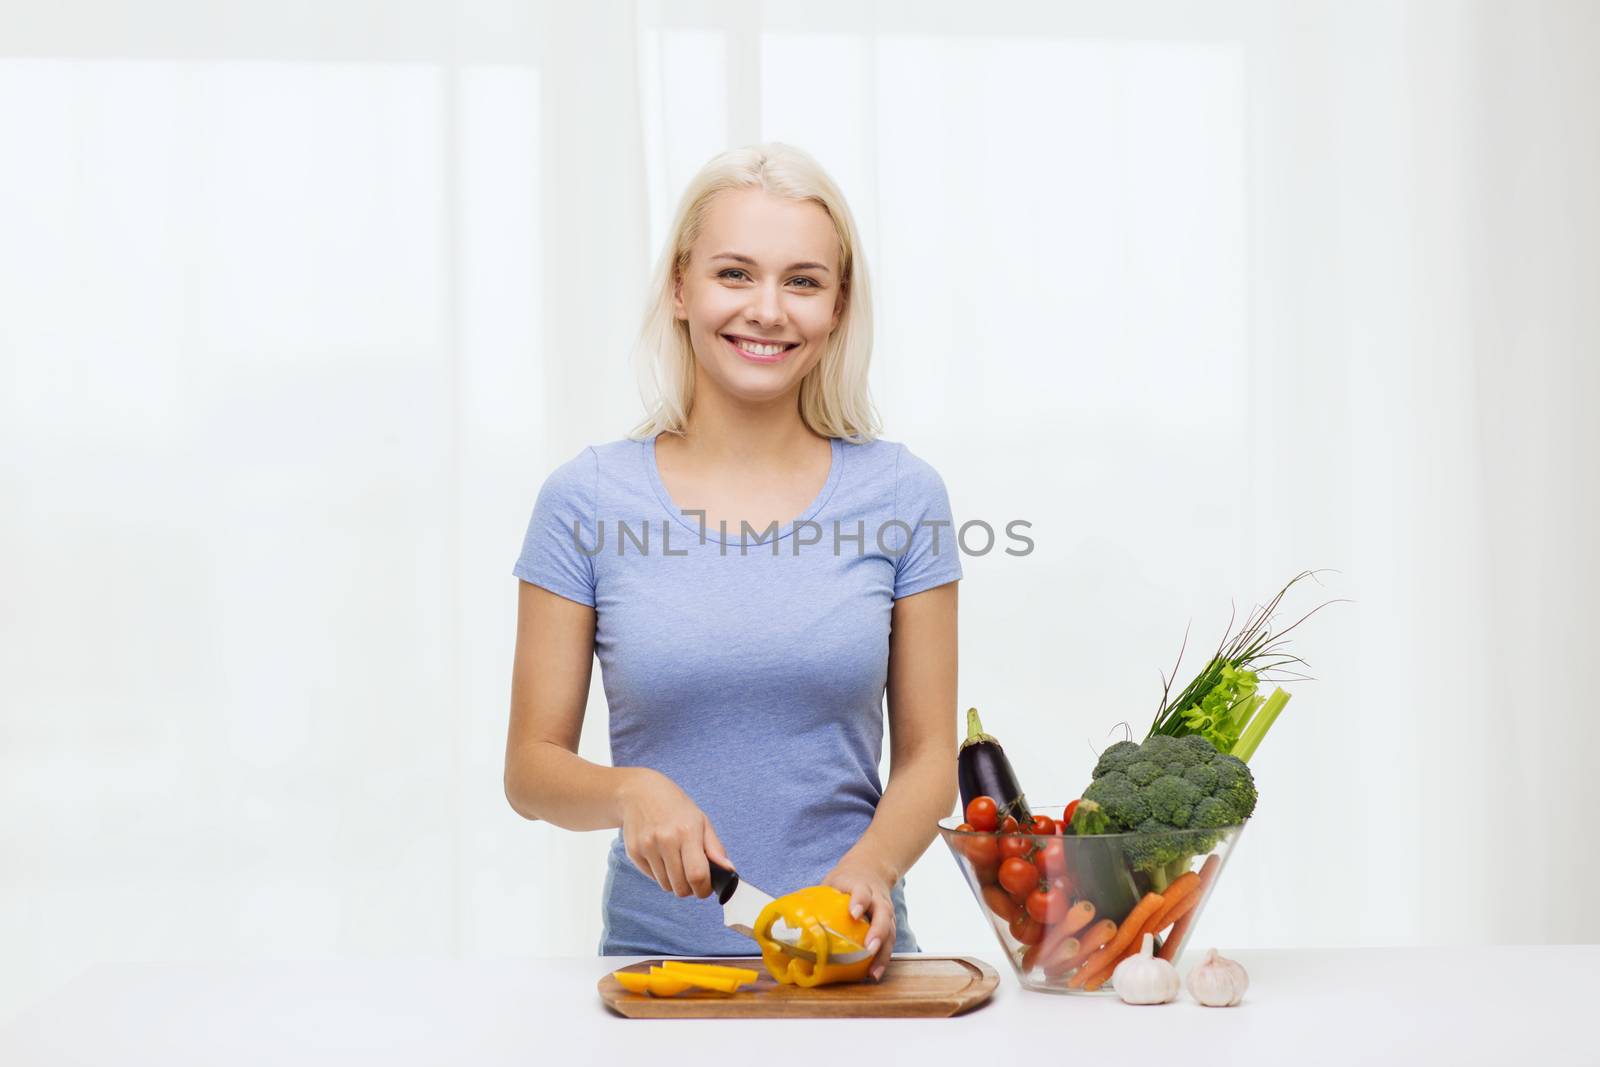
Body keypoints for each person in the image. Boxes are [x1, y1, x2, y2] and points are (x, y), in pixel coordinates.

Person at [503, 143, 961, 982]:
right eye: (735, 274)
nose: (768, 309)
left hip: (861, 965)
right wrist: (629, 790)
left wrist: (871, 870)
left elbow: (931, 758)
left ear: (837, 305)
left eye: (802, 281)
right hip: (662, 973)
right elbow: (531, 767)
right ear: (681, 288)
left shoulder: (903, 493)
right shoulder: (587, 499)